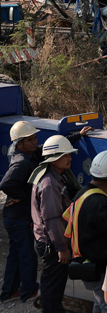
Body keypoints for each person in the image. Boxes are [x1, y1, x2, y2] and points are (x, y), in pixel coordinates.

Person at [65, 150, 107, 313]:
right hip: (101, 267)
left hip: (88, 264)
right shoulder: (100, 204)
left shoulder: (83, 193)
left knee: (100, 303)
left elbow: (95, 213)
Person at [30, 135, 78, 313]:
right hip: (52, 243)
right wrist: (61, 248)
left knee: (52, 284)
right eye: (64, 155)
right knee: (53, 287)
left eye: (69, 154)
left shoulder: (54, 176)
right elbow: (53, 220)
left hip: (49, 241)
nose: (69, 158)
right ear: (53, 158)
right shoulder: (50, 184)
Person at [0, 121, 41, 303]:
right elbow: (6, 184)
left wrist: (77, 135)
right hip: (18, 218)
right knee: (27, 254)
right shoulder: (22, 162)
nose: (34, 142)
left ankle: (9, 292)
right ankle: (28, 291)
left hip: (14, 217)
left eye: (34, 138)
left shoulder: (30, 155)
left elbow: (46, 149)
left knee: (16, 253)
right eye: (29, 140)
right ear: (19, 144)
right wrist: (24, 196)